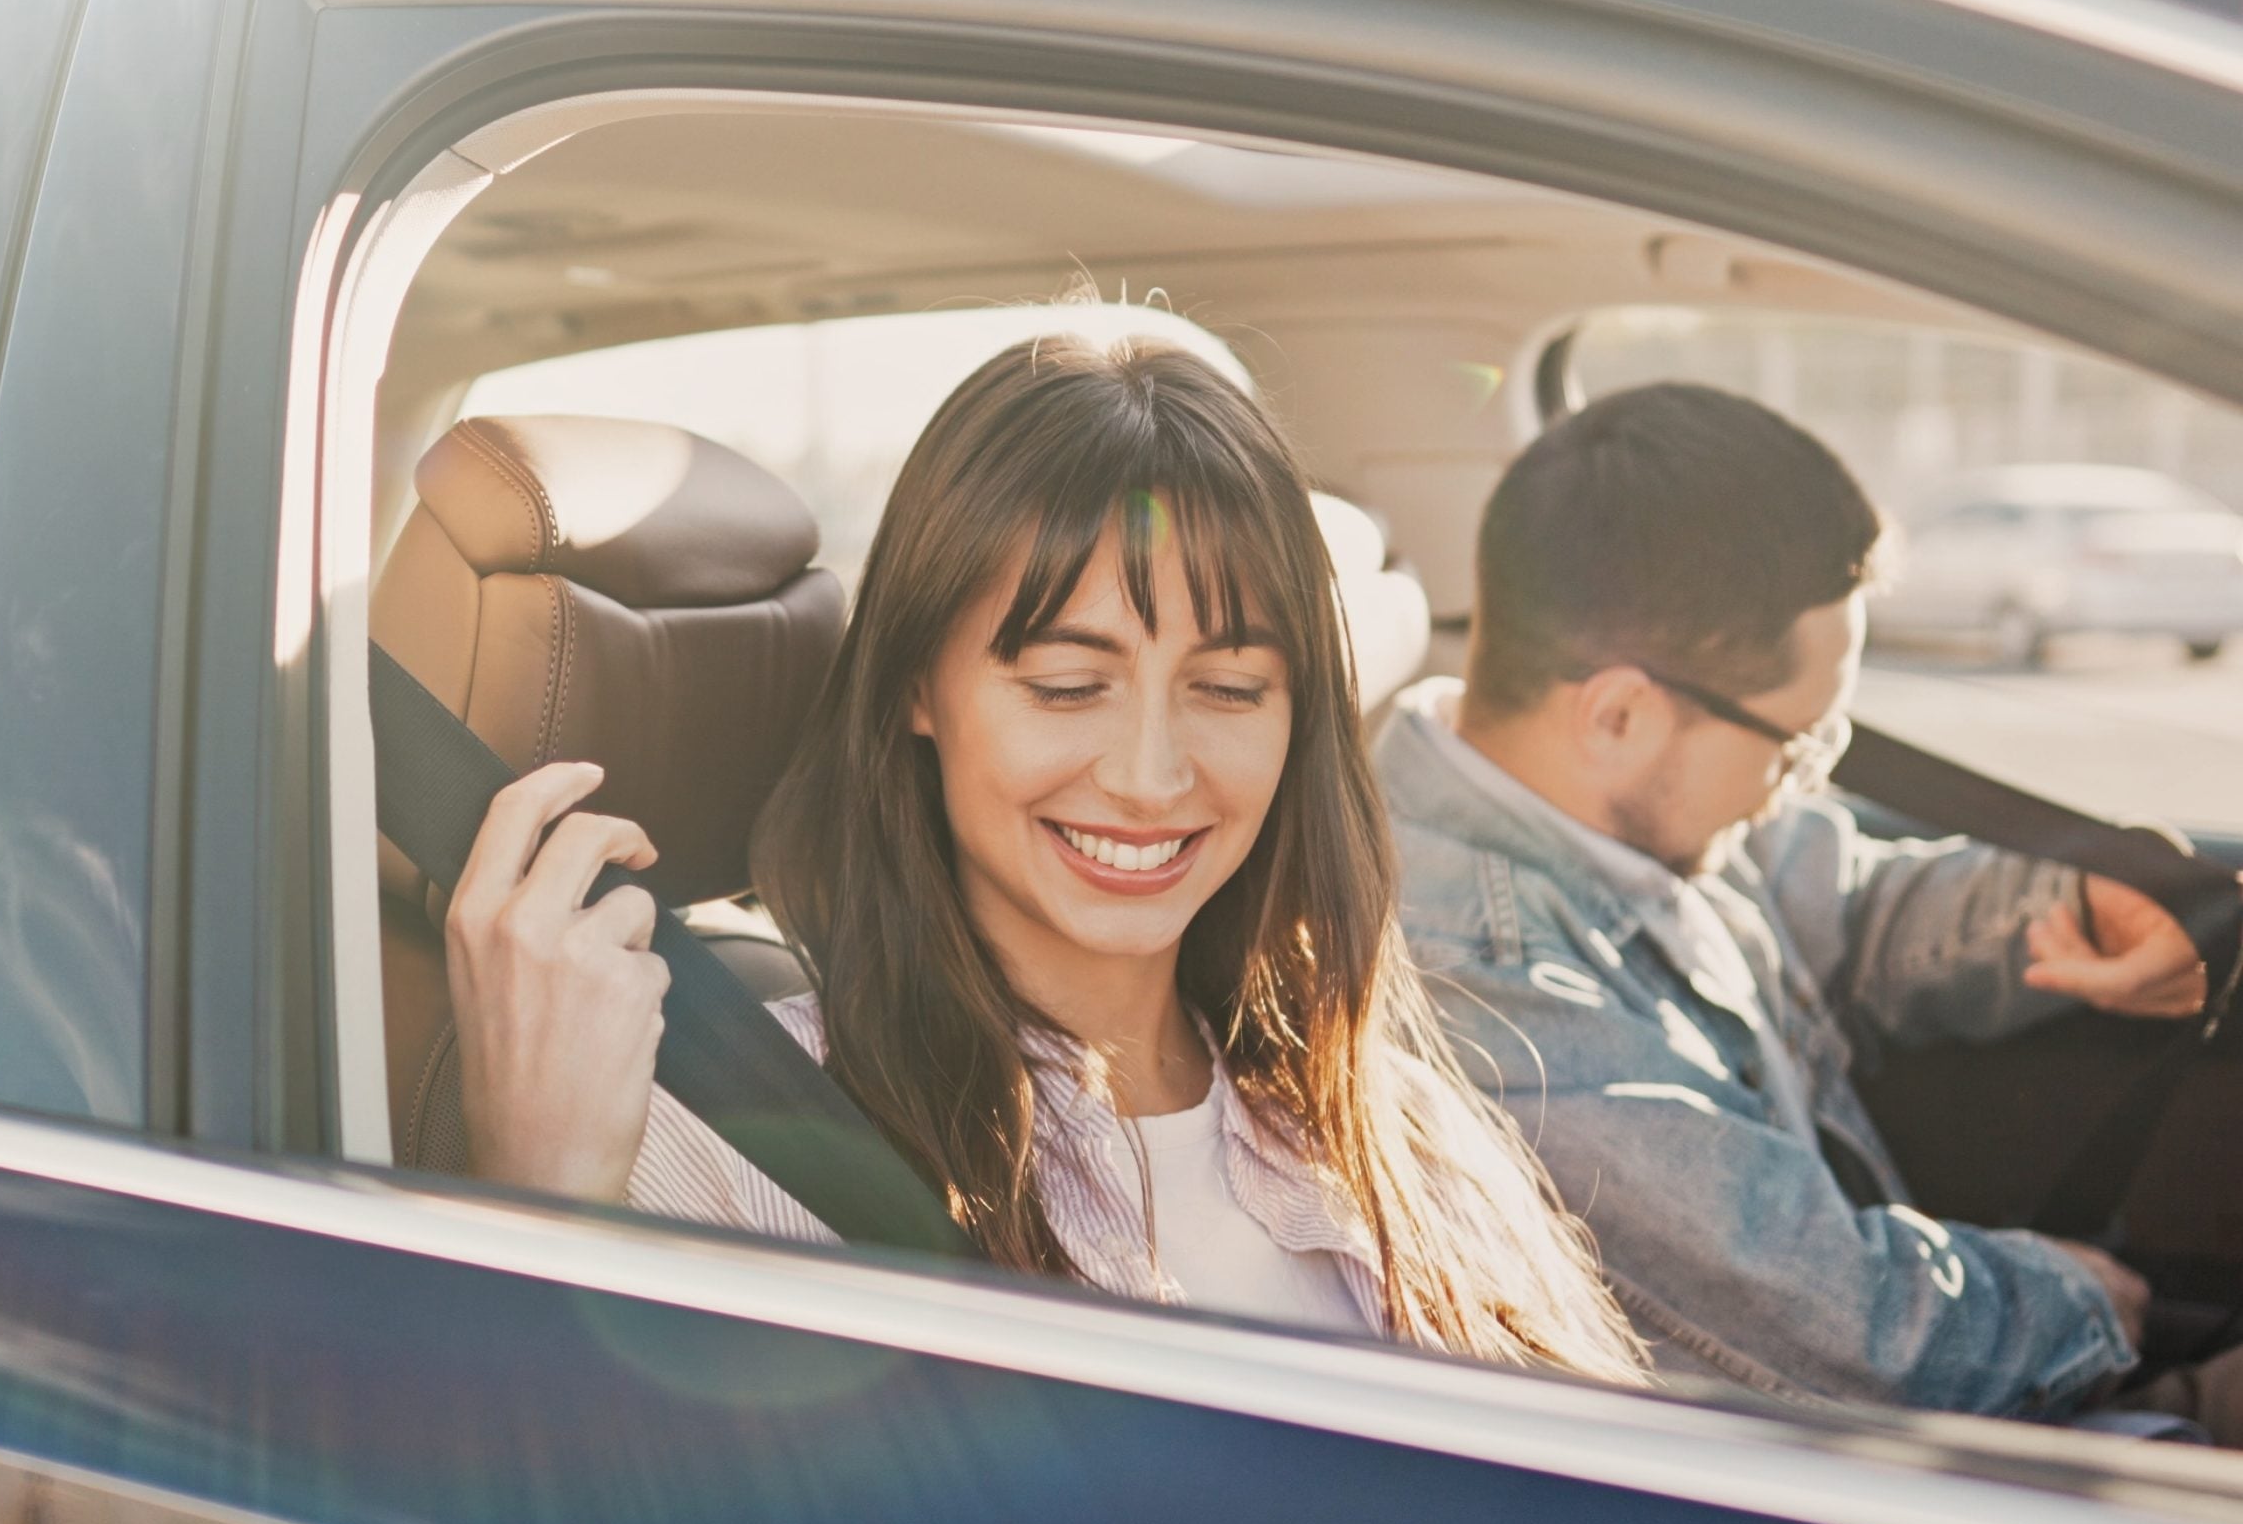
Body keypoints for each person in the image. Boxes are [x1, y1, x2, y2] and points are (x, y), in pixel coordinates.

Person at [443, 337, 1648, 1379]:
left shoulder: (1384, 1120)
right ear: (920, 687)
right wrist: (542, 1189)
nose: (1151, 774)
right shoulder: (736, 1139)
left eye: (1229, 688)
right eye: (1069, 685)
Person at [1375, 381, 2243, 1438]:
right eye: (1796, 741)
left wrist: (2084, 905)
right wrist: (2091, 1297)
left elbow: (1854, 908)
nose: (1809, 777)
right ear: (1617, 714)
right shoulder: (1474, 986)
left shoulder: (1640, 812)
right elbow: (1863, 1344)